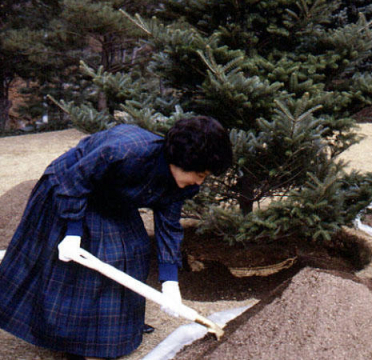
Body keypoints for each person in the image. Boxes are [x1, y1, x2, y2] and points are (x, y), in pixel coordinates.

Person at [0, 116, 233, 359]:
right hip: (70, 189)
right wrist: (72, 233)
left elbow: (169, 227)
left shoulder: (182, 184)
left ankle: (111, 333)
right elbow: (76, 182)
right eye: (200, 174)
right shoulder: (124, 151)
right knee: (97, 259)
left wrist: (169, 282)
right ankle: (71, 339)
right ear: (182, 161)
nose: (199, 182)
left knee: (136, 249)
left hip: (113, 198)